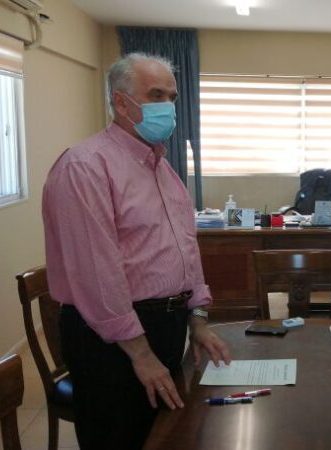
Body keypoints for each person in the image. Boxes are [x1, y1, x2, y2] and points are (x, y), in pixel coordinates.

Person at [42, 53, 231, 450]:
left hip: (164, 327)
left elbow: (184, 248)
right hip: (110, 340)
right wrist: (141, 354)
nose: (168, 107)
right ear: (121, 102)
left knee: (160, 436)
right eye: (156, 95)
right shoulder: (85, 166)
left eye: (172, 97)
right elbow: (97, 275)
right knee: (119, 438)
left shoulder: (161, 167)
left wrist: (197, 318)